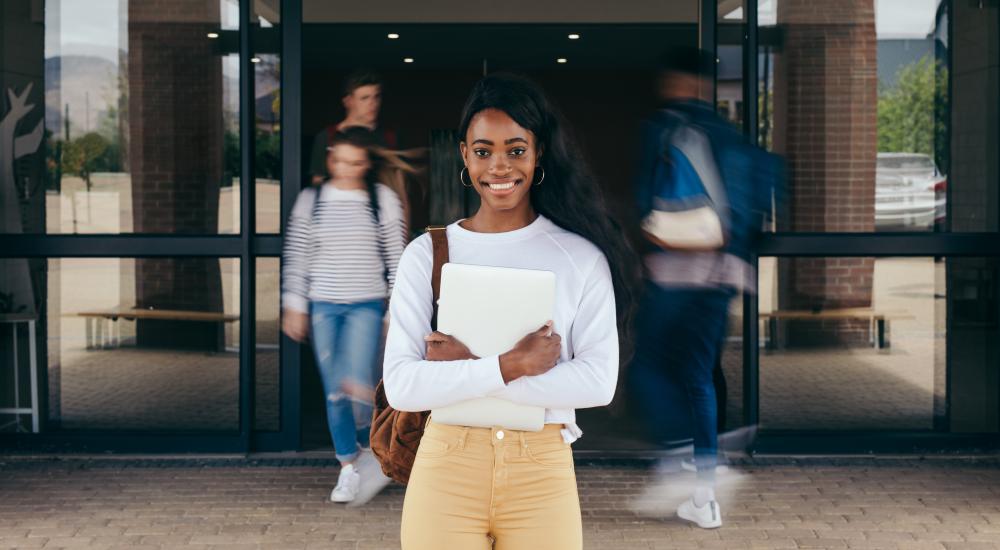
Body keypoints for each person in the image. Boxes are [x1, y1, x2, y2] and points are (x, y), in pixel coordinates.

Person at [382, 73, 639, 549]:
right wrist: (511, 365)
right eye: (483, 151)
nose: (499, 166)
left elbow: (598, 382)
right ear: (464, 155)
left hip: (540, 472)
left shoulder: (580, 256)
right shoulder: (428, 253)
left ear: (538, 152)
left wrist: (467, 372)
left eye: (516, 149)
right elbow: (403, 385)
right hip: (447, 468)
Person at [628, 47, 778, 529]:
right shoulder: (732, 135)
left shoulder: (665, 127)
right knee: (698, 374)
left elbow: (643, 200)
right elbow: (763, 195)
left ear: (674, 81)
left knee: (645, 367)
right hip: (724, 273)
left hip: (676, 269)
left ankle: (679, 457)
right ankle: (706, 493)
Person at [282, 127, 409, 505]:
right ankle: (349, 467)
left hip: (366, 304)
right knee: (335, 389)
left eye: (356, 163)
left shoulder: (380, 199)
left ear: (366, 163)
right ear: (331, 158)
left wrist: (394, 311)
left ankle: (376, 450)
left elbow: (397, 256)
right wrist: (294, 304)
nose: (347, 169)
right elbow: (298, 253)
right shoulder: (312, 200)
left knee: (355, 380)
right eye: (340, 161)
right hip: (323, 304)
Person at [308, 69, 399, 185]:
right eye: (364, 98)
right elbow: (317, 182)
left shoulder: (390, 137)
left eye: (376, 97)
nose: (373, 103)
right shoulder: (328, 136)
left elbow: (399, 182)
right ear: (347, 101)